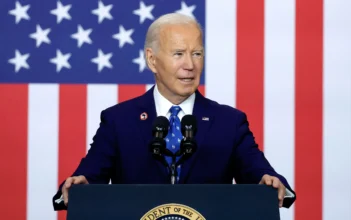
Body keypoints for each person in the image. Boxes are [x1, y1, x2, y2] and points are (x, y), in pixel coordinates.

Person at [52, 13, 296, 210]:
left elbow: (258, 172)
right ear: (152, 60)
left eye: (197, 54)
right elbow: (89, 177)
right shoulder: (119, 120)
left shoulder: (229, 122)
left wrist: (270, 181)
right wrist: (78, 185)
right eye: (179, 54)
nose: (190, 65)